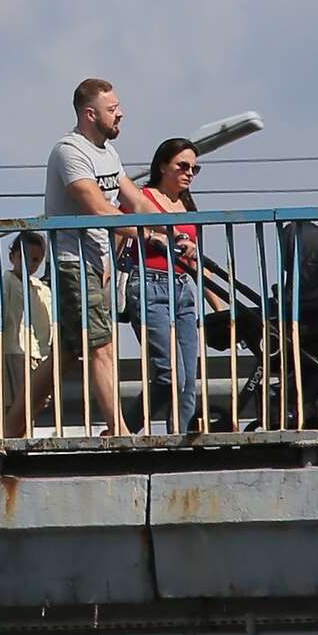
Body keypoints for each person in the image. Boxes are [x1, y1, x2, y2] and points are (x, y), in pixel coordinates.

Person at [42, 78, 156, 437]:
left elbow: (136, 201)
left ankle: (11, 427)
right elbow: (97, 208)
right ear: (90, 114)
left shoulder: (108, 153)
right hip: (73, 262)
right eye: (113, 109)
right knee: (101, 347)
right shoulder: (69, 151)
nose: (121, 114)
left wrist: (174, 229)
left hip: (96, 263)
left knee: (65, 356)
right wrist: (149, 237)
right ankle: (119, 432)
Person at [125, 137, 212, 433]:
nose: (189, 173)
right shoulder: (142, 198)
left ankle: (181, 438)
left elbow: (194, 263)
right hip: (149, 284)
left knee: (188, 382)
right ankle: (124, 429)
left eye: (194, 169)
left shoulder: (187, 206)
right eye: (183, 166)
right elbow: (118, 231)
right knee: (170, 374)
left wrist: (220, 307)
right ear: (163, 166)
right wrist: (151, 236)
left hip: (183, 288)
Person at [0, 230, 54, 437]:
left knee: (33, 402)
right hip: (13, 352)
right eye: (24, 258)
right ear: (13, 257)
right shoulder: (6, 282)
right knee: (23, 403)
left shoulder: (38, 288)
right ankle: (4, 438)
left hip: (33, 353)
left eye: (36, 260)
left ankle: (9, 438)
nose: (30, 264)